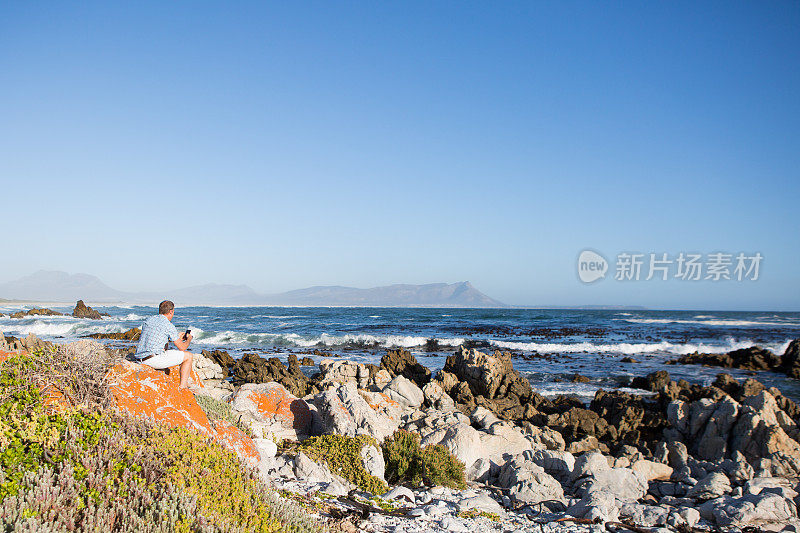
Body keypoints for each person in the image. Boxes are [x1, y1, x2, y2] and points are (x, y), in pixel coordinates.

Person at [134, 300, 195, 389]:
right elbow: (182, 347)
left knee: (170, 353)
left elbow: (160, 344)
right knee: (188, 356)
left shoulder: (149, 320)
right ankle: (183, 387)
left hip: (139, 358)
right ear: (171, 311)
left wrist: (174, 338)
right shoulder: (168, 325)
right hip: (152, 360)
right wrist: (189, 339)